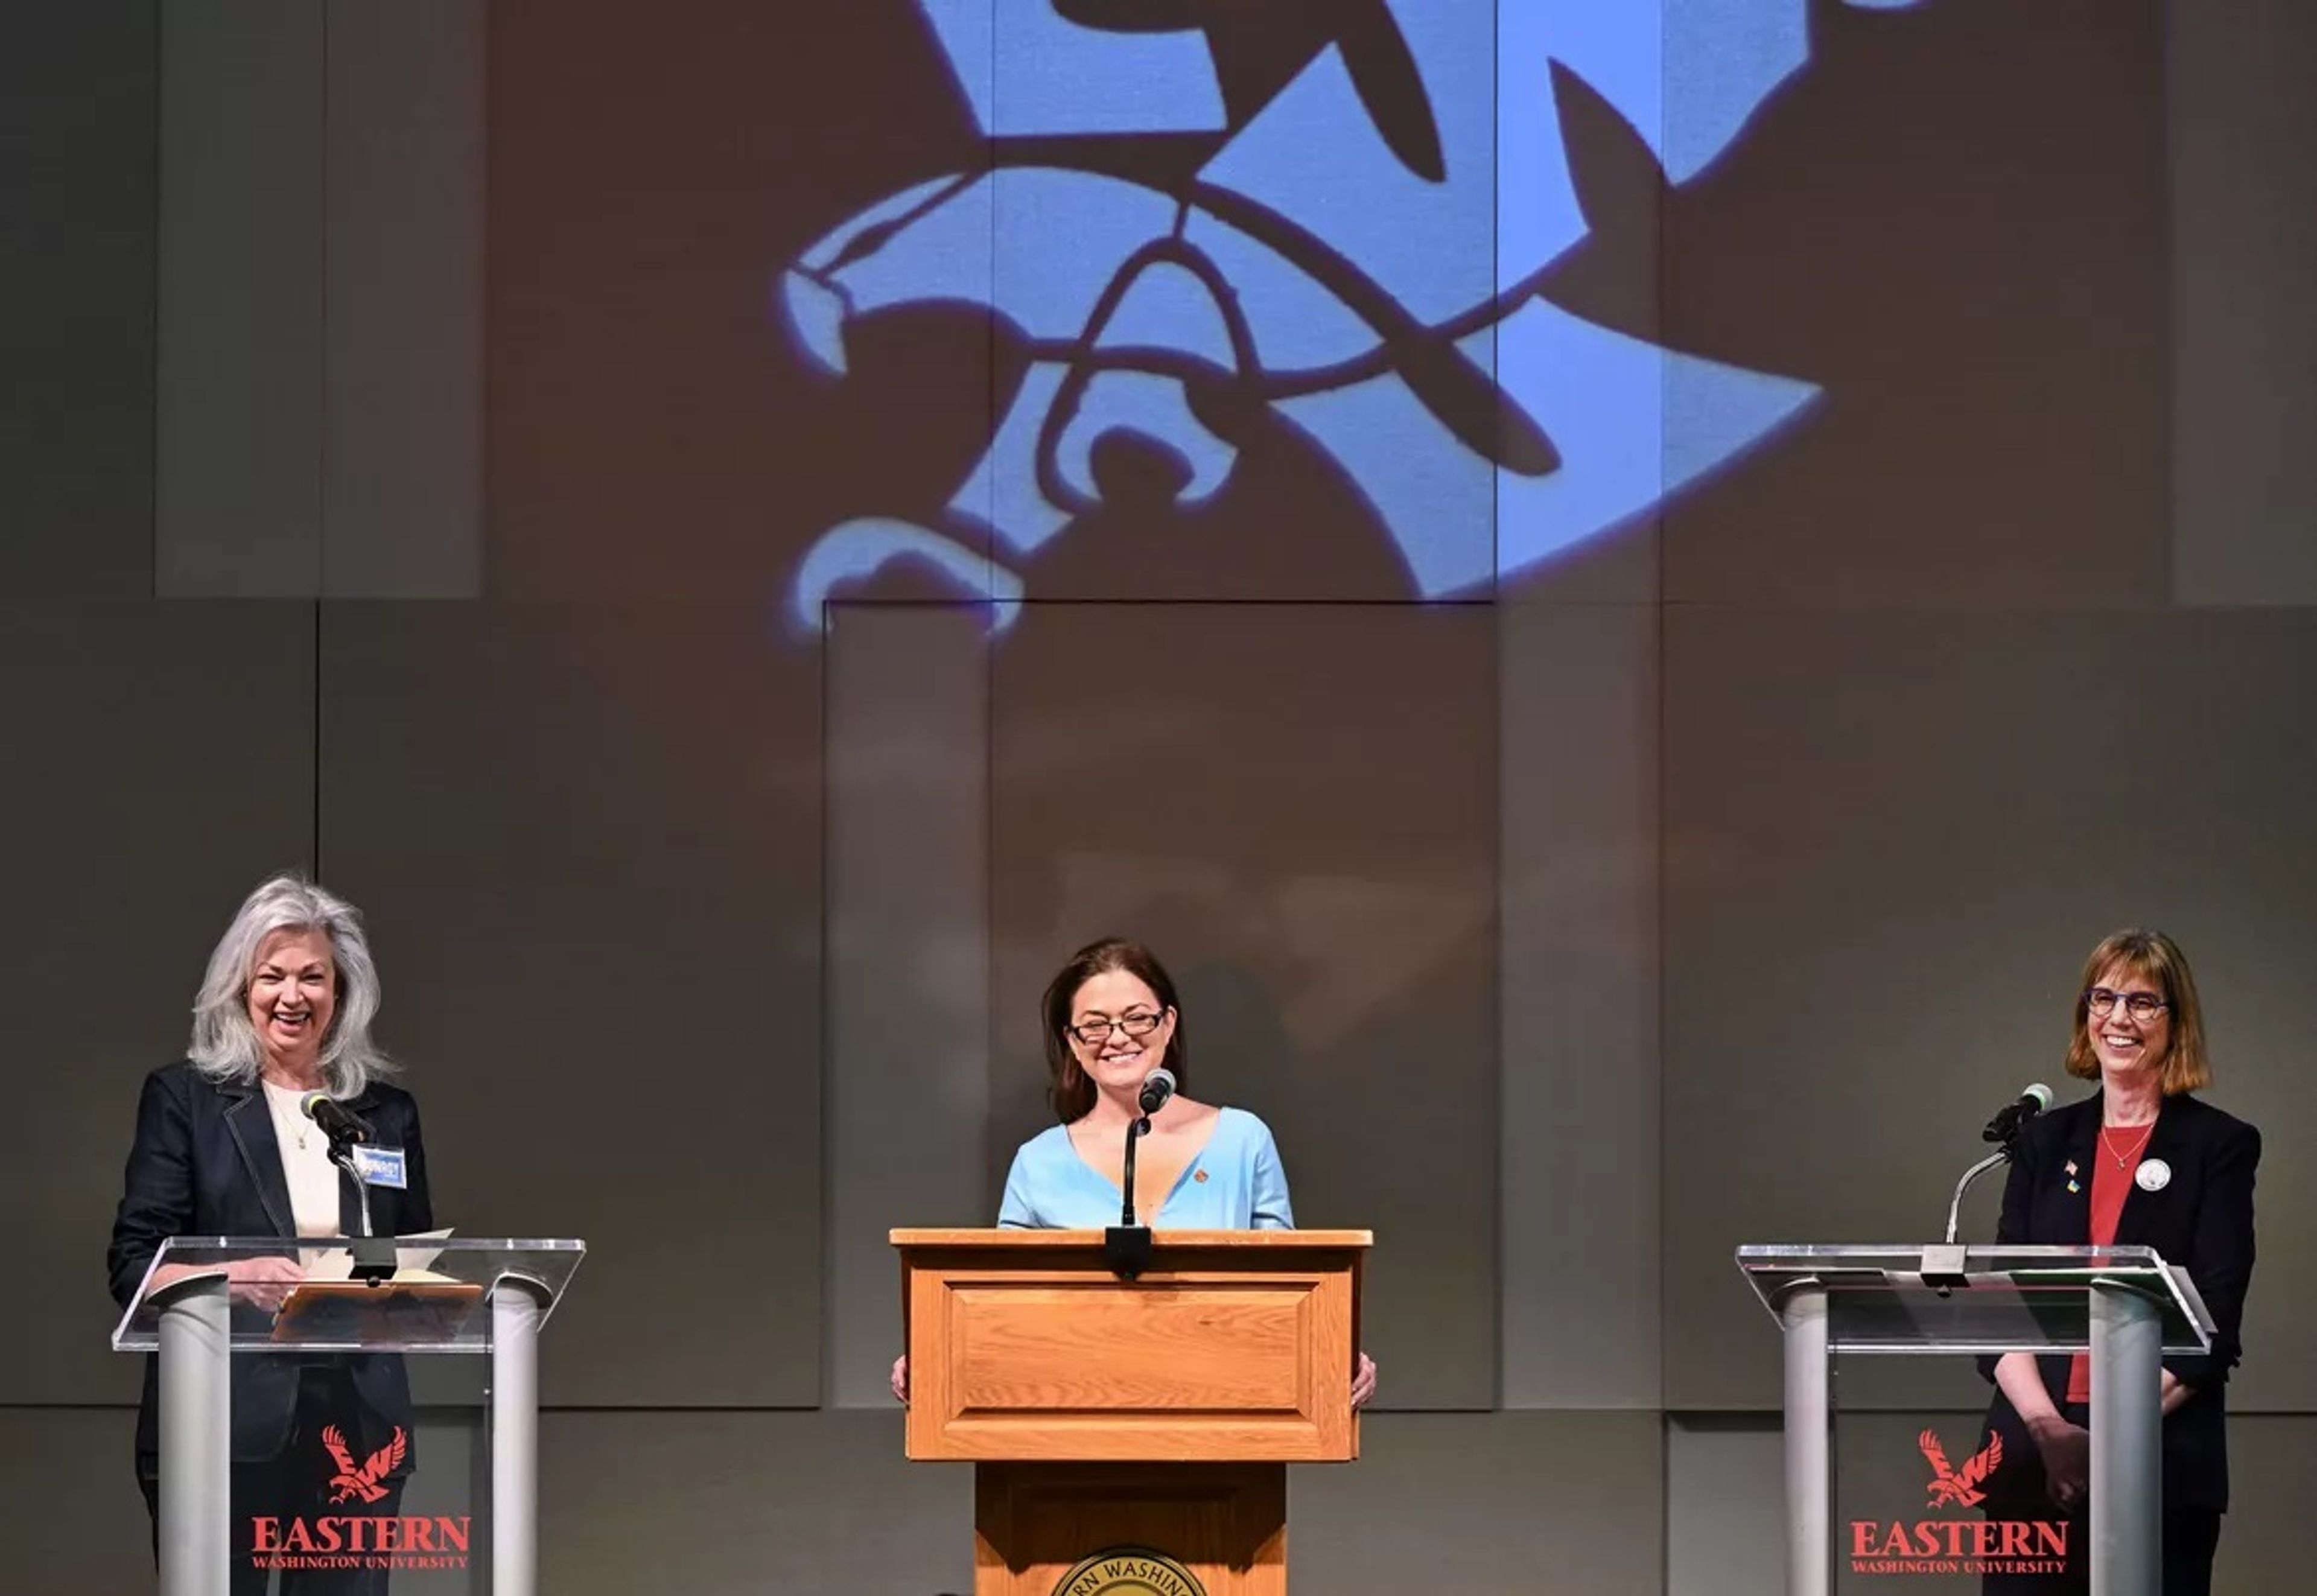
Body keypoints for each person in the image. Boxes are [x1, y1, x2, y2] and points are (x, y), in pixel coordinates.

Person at [107, 874, 436, 1594]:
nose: (294, 995)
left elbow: (408, 1250)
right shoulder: (186, 1100)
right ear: (238, 988)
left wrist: (394, 1288)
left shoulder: (384, 1114)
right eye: (273, 976)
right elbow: (134, 1265)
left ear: (342, 992)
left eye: (313, 977)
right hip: (224, 1422)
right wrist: (234, 1279)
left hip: (358, 1425)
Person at [893, 936, 1378, 1407]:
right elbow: (997, 1305)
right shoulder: (1038, 1161)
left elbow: (1291, 1290)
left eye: (1137, 1018)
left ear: (1168, 1024)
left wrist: (1332, 1348)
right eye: (1095, 1025)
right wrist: (938, 1352)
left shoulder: (1242, 1139)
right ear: (1073, 1042)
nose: (1119, 1037)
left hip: (1224, 1412)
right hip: (1073, 1417)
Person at [1977, 929, 2260, 1595]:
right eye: (2103, 997)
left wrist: (2101, 1435)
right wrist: (2051, 1429)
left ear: (2175, 1021)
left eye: (2142, 1001)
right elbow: (2002, 1304)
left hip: (2157, 1459)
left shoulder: (2218, 1145)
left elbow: (2212, 1322)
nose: (2118, 1017)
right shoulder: (2042, 1140)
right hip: (2029, 1454)